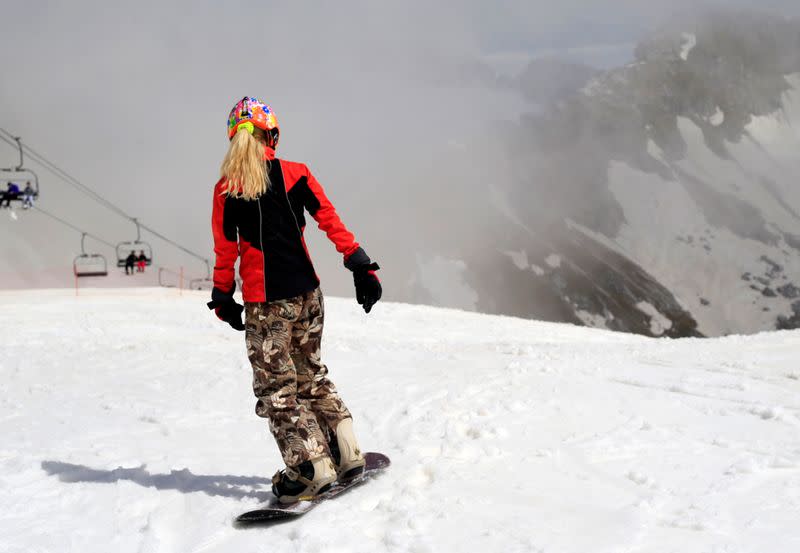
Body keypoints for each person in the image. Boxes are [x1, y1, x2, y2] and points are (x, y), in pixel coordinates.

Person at [207, 97, 382, 504]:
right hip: (309, 295)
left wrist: (222, 297)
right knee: (312, 375)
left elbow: (225, 251)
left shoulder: (226, 190)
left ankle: (309, 469)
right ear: (273, 134)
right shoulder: (295, 173)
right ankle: (345, 452)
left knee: (278, 391)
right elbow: (329, 219)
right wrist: (360, 265)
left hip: (267, 304)